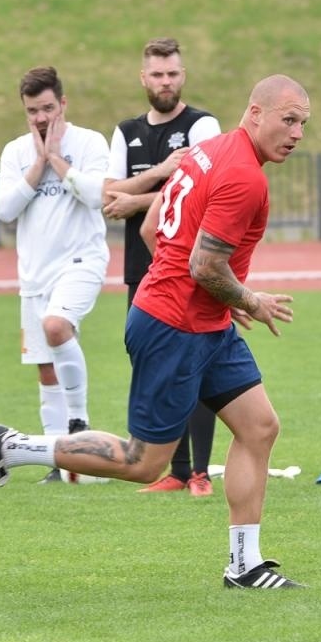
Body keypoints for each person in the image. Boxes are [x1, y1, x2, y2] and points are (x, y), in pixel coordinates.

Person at [0, 75, 311, 590]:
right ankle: (11, 446)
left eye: (304, 123)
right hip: (176, 327)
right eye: (289, 119)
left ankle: (245, 565)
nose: (298, 132)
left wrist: (221, 296)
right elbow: (205, 266)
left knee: (259, 428)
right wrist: (249, 299)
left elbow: (153, 232)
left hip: (199, 321)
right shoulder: (244, 177)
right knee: (143, 462)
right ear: (255, 113)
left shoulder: (206, 151)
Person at [104, 38, 223, 497]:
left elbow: (203, 191)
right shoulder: (126, 130)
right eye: (157, 74)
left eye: (173, 73)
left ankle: (200, 473)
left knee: (198, 366)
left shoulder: (202, 124)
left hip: (191, 265)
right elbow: (109, 193)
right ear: (143, 78)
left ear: (183, 75)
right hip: (143, 267)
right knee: (155, 367)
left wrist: (136, 199)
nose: (166, 82)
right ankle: (175, 470)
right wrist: (158, 174)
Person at [0, 66, 112, 485]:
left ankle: (79, 425)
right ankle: (58, 463)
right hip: (34, 275)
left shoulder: (90, 142)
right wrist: (37, 165)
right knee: (45, 368)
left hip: (81, 261)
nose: (40, 118)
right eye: (32, 111)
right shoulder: (16, 152)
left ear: (63, 104)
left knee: (57, 327)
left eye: (47, 108)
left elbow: (99, 196)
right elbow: (4, 209)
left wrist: (57, 160)